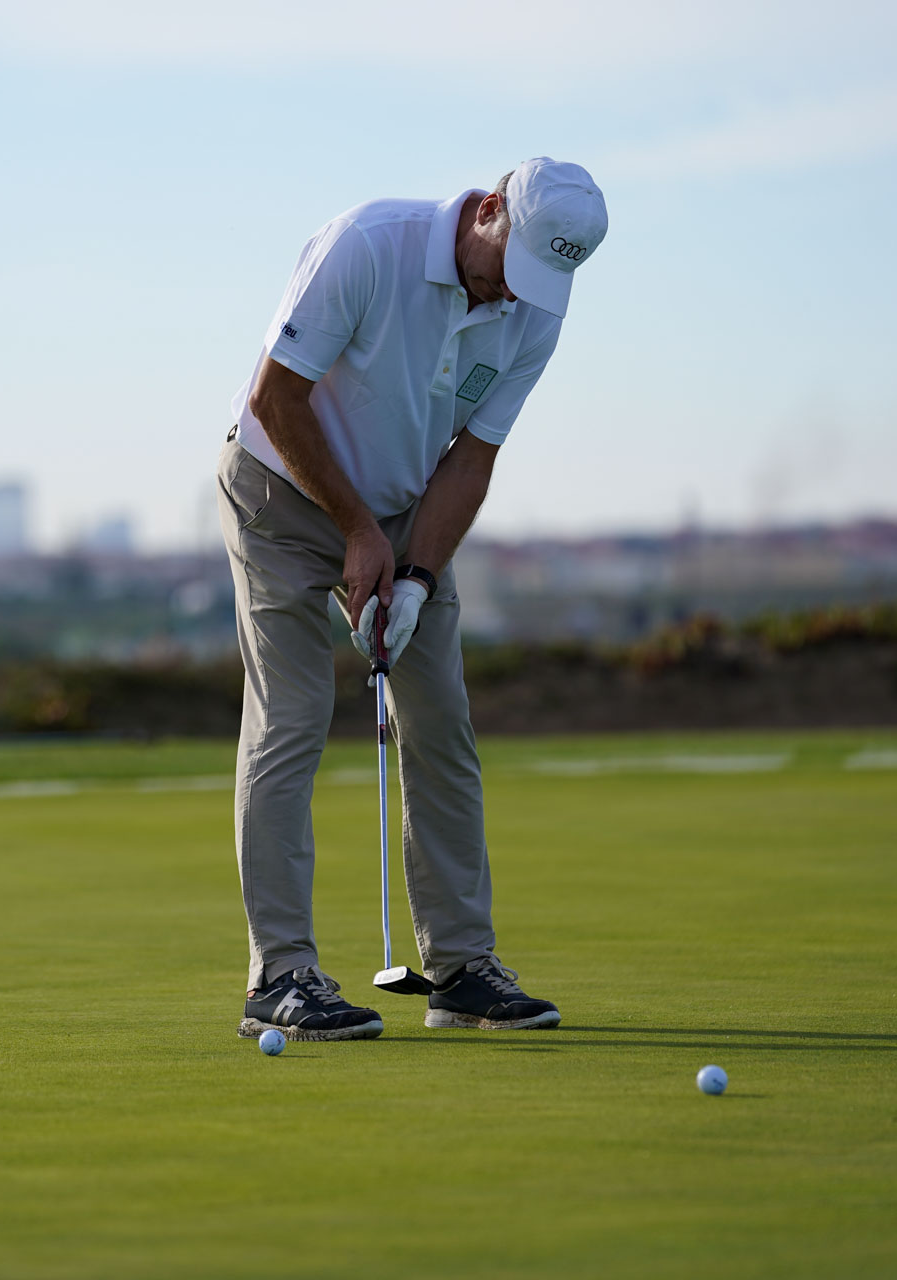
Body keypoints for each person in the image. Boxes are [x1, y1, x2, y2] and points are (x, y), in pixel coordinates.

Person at [216, 157, 608, 1041]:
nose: (511, 294)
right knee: (292, 720)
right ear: (490, 209)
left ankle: (461, 968)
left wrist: (419, 578)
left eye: (537, 282)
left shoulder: (535, 309)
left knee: (442, 726)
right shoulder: (369, 244)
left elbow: (471, 458)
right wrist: (358, 531)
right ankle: (279, 974)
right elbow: (276, 398)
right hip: (279, 489)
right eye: (510, 266)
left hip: (405, 508)